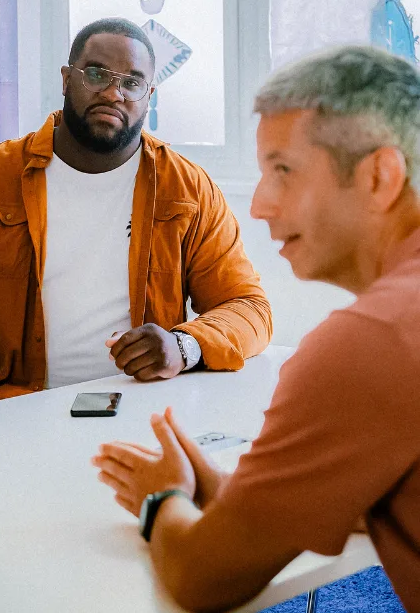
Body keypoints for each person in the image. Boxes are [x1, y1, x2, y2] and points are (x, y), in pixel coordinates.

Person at [92, 45, 420, 612]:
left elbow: (201, 578)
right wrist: (227, 488)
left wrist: (160, 498)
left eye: (282, 171)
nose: (262, 204)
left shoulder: (371, 341)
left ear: (380, 176)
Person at [0, 18, 271, 418]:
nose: (114, 93)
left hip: (141, 408)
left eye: (131, 82)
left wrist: (183, 346)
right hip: (7, 410)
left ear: (149, 95)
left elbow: (249, 306)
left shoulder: (186, 188)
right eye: (96, 74)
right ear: (67, 79)